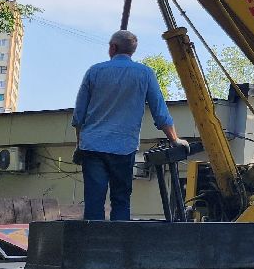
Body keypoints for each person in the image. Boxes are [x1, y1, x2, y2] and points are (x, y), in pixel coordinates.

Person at [72, 30, 182, 221]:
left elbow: (78, 115)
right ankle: (119, 247)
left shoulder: (95, 71)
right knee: (121, 200)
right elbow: (160, 112)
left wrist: (80, 144)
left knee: (94, 201)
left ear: (113, 47)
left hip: (92, 146)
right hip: (123, 148)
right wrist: (175, 139)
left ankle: (91, 247)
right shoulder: (145, 73)